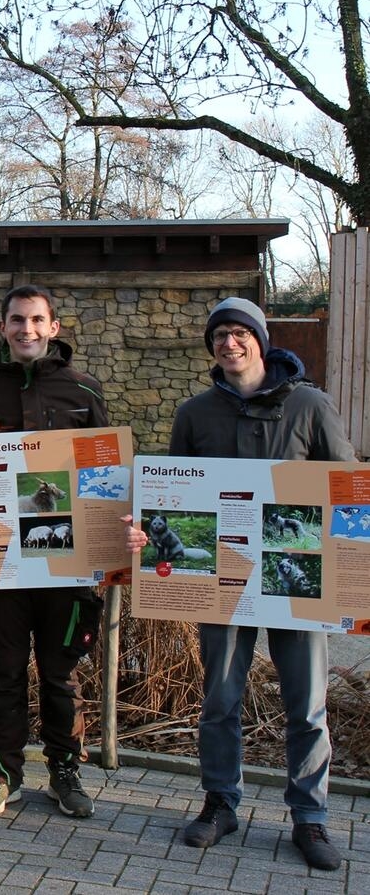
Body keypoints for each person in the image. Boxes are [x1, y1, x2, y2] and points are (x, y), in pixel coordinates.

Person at [125, 297, 353, 871]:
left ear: (261, 337)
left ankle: (310, 818)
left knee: (306, 705)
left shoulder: (309, 405)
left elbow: (347, 490)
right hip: (222, 581)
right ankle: (220, 802)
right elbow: (172, 504)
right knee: (221, 699)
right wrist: (146, 536)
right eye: (220, 336)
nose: (230, 343)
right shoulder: (195, 414)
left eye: (239, 333)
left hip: (293, 576)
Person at [0, 285, 105, 819]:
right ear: (3, 327)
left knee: (61, 676)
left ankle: (65, 772)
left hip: (66, 563)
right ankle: (3, 776)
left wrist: (115, 540)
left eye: (37, 320)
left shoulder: (84, 393)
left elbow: (106, 479)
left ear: (53, 327)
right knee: (5, 671)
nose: (27, 330)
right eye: (17, 320)